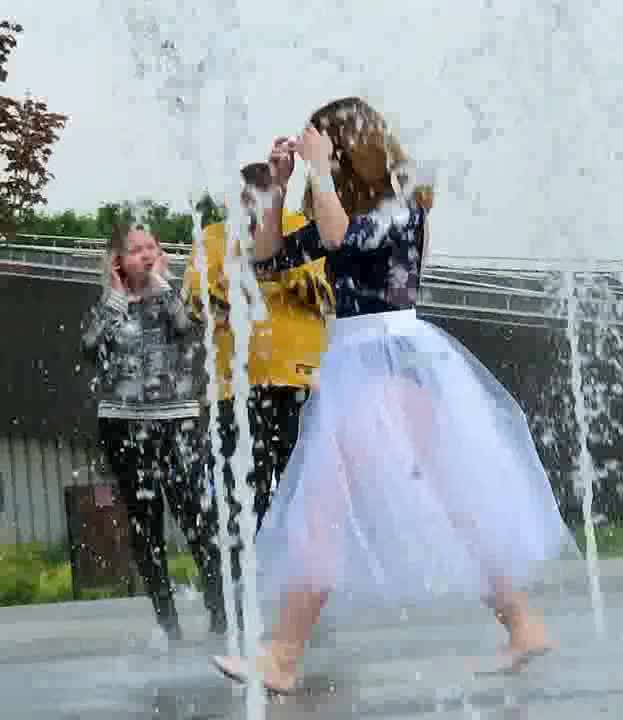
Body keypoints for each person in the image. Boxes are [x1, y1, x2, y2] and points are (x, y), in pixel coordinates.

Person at [212, 97, 576, 694]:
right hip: (365, 363)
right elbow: (271, 258)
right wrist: (277, 189)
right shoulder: (352, 208)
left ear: (348, 150)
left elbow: (340, 238)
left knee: (322, 503)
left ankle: (282, 655)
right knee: (449, 498)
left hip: (390, 362)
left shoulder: (402, 209)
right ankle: (523, 623)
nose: (315, 159)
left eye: (323, 148)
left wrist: (317, 172)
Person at [184, 163, 333, 596]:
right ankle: (240, 593)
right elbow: (194, 301)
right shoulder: (212, 238)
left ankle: (297, 594)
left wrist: (276, 265)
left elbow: (327, 294)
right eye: (246, 198)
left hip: (298, 382)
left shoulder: (301, 228)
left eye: (263, 198)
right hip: (235, 387)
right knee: (239, 495)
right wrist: (240, 273)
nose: (253, 208)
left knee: (300, 491)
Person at [81, 222, 225, 643]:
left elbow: (186, 329)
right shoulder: (108, 304)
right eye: (135, 250)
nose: (145, 255)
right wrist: (115, 297)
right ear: (117, 261)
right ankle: (167, 621)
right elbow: (90, 348)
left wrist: (161, 287)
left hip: (176, 419)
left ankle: (220, 612)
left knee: (197, 517)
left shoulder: (170, 296)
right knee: (145, 522)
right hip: (122, 422)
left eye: (151, 247)